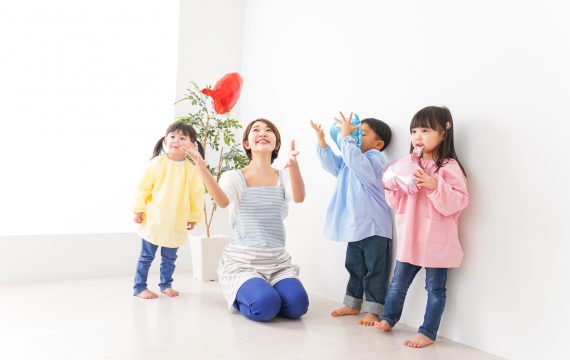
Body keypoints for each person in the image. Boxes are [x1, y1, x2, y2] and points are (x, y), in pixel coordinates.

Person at [183, 118, 309, 322]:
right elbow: (222, 201)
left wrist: (294, 167)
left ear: (276, 144)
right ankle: (248, 293)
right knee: (265, 307)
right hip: (243, 262)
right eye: (256, 130)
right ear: (247, 144)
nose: (263, 132)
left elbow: (299, 197)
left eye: (269, 130)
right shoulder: (234, 176)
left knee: (298, 307)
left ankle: (265, 291)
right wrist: (201, 167)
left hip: (277, 262)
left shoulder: (284, 175)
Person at [374, 106, 469, 348]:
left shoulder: (448, 167)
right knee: (398, 283)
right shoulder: (406, 164)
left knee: (435, 288)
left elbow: (458, 201)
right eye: (414, 130)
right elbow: (395, 202)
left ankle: (427, 332)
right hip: (410, 236)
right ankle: (388, 318)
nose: (418, 135)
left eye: (425, 130)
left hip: (436, 238)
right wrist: (395, 186)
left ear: (444, 133)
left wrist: (435, 185)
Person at [311, 112, 393, 326]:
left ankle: (374, 310)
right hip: (354, 226)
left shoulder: (375, 160)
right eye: (356, 132)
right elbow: (332, 164)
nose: (356, 136)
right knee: (354, 265)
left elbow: (356, 161)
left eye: (362, 134)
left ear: (378, 144)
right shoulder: (348, 162)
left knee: (375, 269)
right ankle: (353, 303)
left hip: (374, 227)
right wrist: (322, 141)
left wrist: (347, 137)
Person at [132, 121, 205, 299]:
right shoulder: (158, 163)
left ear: (192, 145)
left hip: (176, 220)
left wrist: (194, 216)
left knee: (169, 257)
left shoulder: (191, 169)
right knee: (146, 256)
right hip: (154, 219)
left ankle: (166, 285)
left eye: (182, 137)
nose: (176, 140)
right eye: (172, 136)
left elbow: (196, 194)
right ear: (165, 140)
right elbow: (143, 187)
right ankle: (139, 287)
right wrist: (138, 208)